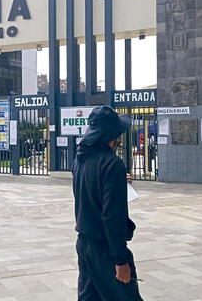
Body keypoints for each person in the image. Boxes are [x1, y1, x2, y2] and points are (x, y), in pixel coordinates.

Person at [72, 105, 143, 301]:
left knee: (89, 297)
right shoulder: (112, 164)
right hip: (105, 248)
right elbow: (112, 216)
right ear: (112, 135)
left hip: (84, 243)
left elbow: (89, 192)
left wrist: (119, 181)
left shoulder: (80, 159)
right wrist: (120, 259)